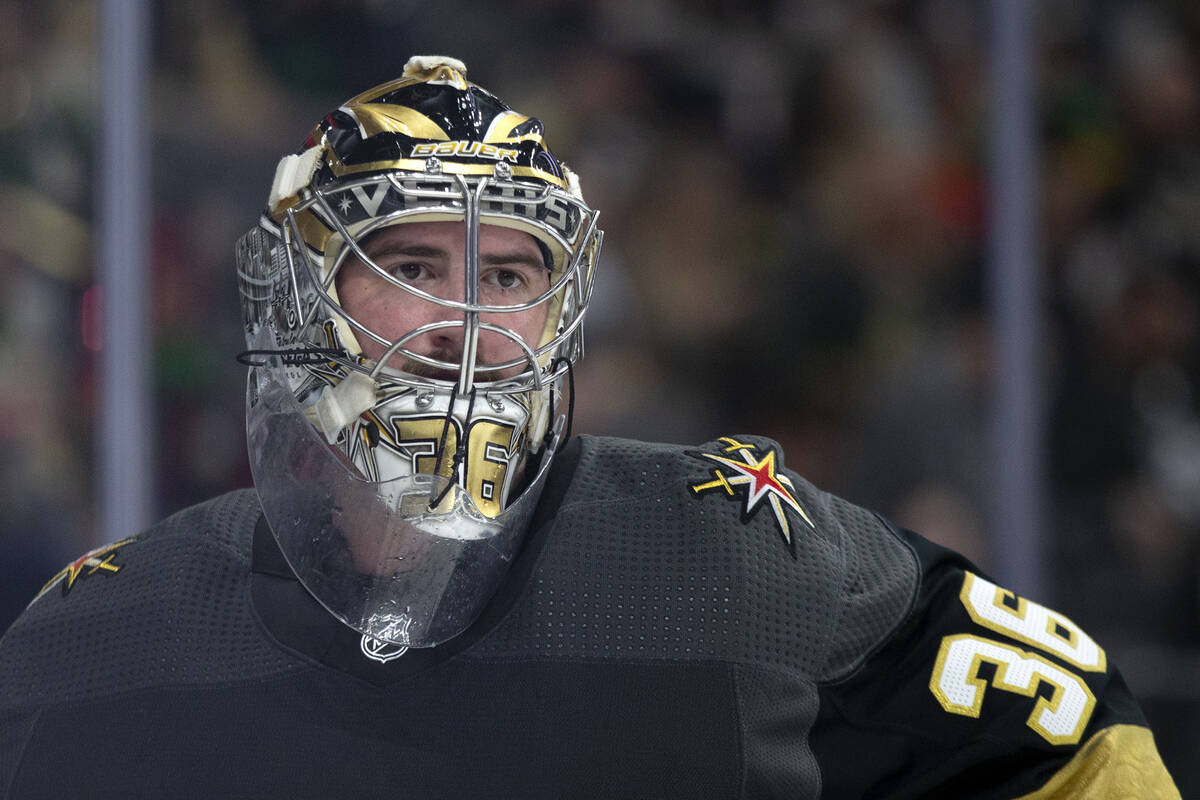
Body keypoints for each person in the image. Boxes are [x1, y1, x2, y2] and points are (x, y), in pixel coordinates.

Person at [0, 56, 1179, 799]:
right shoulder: (103, 634)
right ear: (300, 293)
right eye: (411, 261)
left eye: (510, 273)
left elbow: (1076, 737)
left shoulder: (740, 563)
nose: (466, 320)